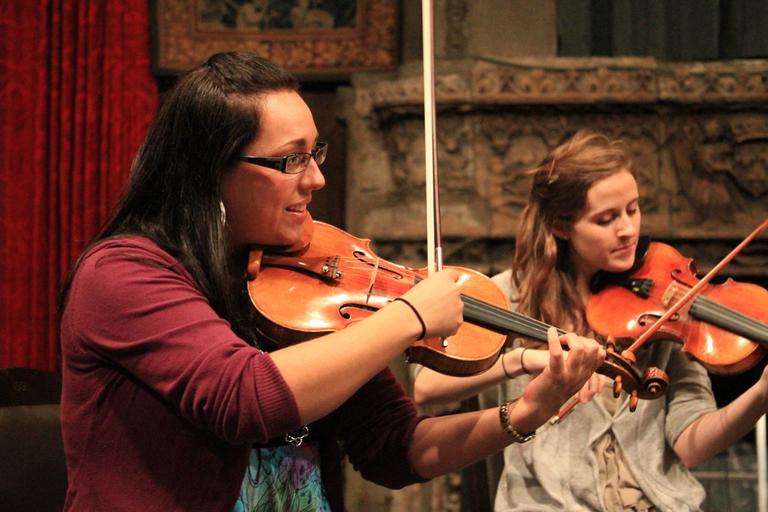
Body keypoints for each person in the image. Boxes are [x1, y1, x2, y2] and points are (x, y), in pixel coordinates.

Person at [58, 52, 605, 511]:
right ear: (209, 171)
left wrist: (525, 413)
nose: (316, 178)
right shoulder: (123, 274)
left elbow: (398, 447)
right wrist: (409, 316)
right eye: (292, 160)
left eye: (315, 152)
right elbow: (246, 398)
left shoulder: (297, 286)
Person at [413, 130, 768, 511]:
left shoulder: (665, 308)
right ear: (560, 226)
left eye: (633, 209)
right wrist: (520, 360)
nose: (628, 230)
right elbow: (426, 388)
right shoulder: (510, 297)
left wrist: (761, 394)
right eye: (605, 219)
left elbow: (692, 444)